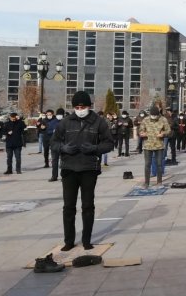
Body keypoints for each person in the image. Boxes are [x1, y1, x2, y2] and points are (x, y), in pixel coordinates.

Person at [49, 91, 113, 251]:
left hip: (89, 168)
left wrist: (95, 148)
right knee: (68, 206)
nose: (80, 109)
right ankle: (68, 241)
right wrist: (63, 148)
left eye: (82, 106)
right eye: (77, 107)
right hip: (69, 168)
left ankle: (86, 240)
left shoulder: (99, 122)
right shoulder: (65, 122)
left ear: (88, 106)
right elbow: (53, 143)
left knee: (88, 205)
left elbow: (109, 143)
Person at [137, 106, 170, 188]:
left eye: (155, 115)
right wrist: (142, 133)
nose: (154, 117)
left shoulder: (163, 119)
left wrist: (163, 134)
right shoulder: (145, 120)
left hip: (159, 145)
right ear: (150, 114)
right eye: (153, 115)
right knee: (147, 164)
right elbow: (140, 130)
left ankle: (159, 182)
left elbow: (168, 130)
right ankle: (146, 183)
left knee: (159, 164)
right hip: (148, 145)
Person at [48, 109, 65, 182]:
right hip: (54, 144)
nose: (59, 115)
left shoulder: (66, 122)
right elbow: (48, 131)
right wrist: (53, 131)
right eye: (58, 114)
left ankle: (63, 176)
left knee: (64, 161)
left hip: (63, 144)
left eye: (60, 114)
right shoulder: (53, 122)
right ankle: (54, 176)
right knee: (54, 161)